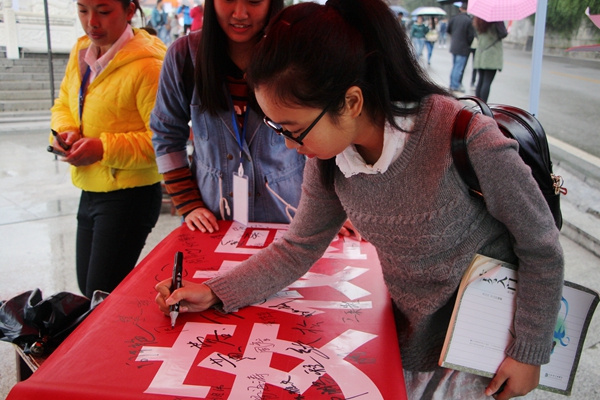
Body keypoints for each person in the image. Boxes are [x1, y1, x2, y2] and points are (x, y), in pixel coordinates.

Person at [155, 0, 564, 399]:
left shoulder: (464, 137)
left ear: (351, 102)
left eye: (293, 129)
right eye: (277, 129)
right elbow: (298, 247)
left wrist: (528, 351)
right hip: (410, 338)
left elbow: (541, 246)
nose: (289, 145)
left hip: (485, 347)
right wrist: (216, 291)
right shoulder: (331, 159)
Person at [150, 0, 305, 234]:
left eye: (254, 1)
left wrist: (332, 212)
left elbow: (328, 140)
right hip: (211, 220)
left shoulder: (297, 55)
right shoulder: (184, 56)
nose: (240, 13)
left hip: (290, 217)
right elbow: (166, 136)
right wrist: (188, 203)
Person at [49, 0, 166, 298]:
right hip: (91, 187)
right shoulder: (81, 51)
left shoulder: (149, 66)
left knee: (100, 292)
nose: (92, 22)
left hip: (131, 195)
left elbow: (164, 140)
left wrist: (103, 148)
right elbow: (63, 103)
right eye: (83, 10)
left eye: (103, 11)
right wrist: (66, 130)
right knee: (89, 289)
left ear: (130, 11)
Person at [473, 17, 507, 102]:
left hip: (481, 53)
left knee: (480, 80)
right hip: (492, 54)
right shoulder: (496, 19)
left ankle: (478, 104)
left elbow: (475, 35)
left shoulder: (478, 20)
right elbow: (503, 33)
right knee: (487, 82)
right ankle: (483, 104)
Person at [447, 2, 475, 92]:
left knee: (455, 66)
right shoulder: (469, 20)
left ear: (460, 8)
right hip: (463, 47)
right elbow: (471, 36)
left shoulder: (454, 18)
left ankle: (452, 83)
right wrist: (468, 43)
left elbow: (448, 30)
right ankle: (455, 85)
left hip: (454, 45)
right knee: (458, 68)